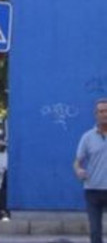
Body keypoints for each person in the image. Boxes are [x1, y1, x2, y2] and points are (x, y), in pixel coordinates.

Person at [75, 98, 107, 243]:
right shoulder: (87, 137)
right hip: (93, 190)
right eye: (101, 111)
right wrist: (79, 170)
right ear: (96, 114)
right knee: (95, 232)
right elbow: (77, 161)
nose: (104, 114)